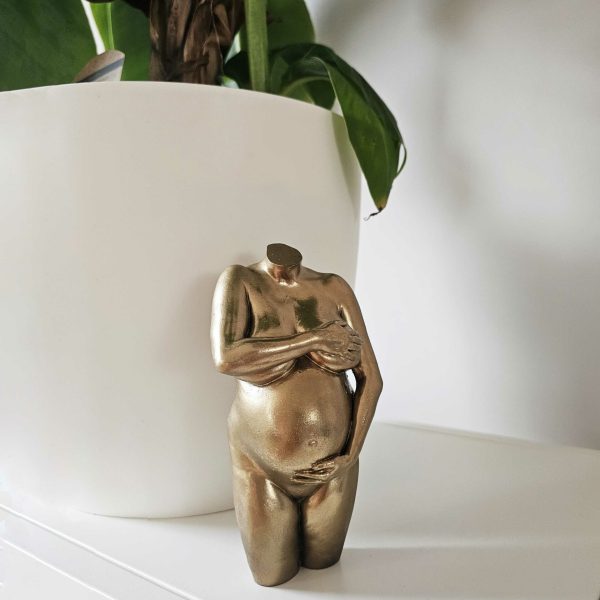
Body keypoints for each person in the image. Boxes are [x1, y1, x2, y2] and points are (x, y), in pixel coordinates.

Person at [210, 243, 382, 586]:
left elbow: (371, 379)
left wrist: (350, 454)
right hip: (262, 467)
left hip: (334, 467)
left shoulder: (333, 288)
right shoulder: (241, 281)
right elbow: (226, 358)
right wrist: (312, 339)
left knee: (326, 567)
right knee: (271, 576)